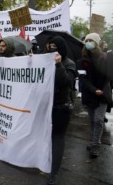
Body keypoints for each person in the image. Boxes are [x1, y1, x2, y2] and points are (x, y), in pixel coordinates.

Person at [46, 36, 77, 185]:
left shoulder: (69, 63)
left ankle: (54, 173)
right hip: (46, 106)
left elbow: (67, 83)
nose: (52, 49)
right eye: (50, 46)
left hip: (61, 107)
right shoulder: (46, 61)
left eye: (55, 46)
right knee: (46, 137)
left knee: (57, 139)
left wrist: (59, 65)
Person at [78, 33, 112, 159]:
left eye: (91, 40)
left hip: (103, 94)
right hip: (90, 94)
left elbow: (109, 76)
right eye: (86, 40)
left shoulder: (104, 58)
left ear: (97, 43)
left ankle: (96, 145)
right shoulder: (81, 61)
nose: (88, 42)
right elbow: (83, 79)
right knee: (92, 120)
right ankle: (94, 141)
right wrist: (94, 90)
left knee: (98, 120)